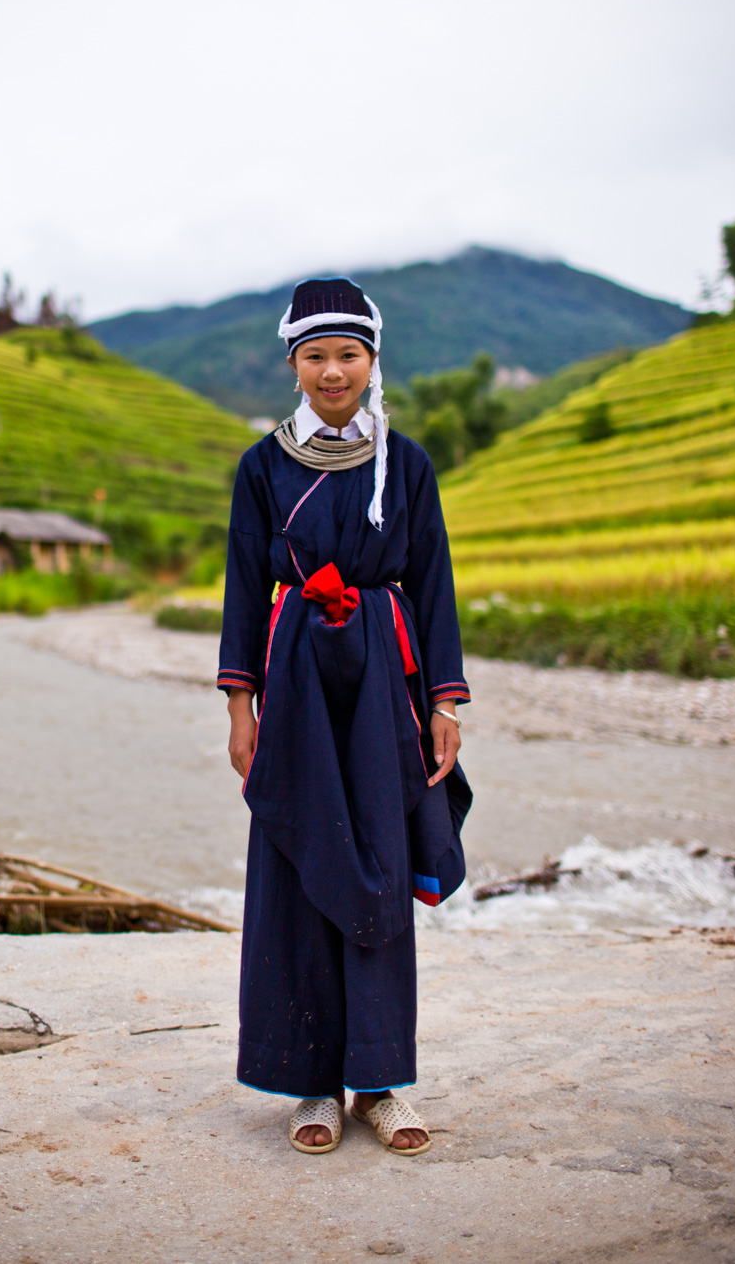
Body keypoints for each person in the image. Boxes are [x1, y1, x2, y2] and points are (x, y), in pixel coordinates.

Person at [218, 277, 472, 1156]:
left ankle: (382, 1082)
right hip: (293, 678)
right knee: (299, 865)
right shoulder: (262, 466)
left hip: (380, 684)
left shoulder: (407, 465)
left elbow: (433, 585)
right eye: (316, 356)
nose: (334, 372)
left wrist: (443, 699)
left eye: (349, 355)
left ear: (372, 362)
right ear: (293, 363)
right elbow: (246, 590)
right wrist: (240, 707)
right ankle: (310, 1087)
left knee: (378, 861)